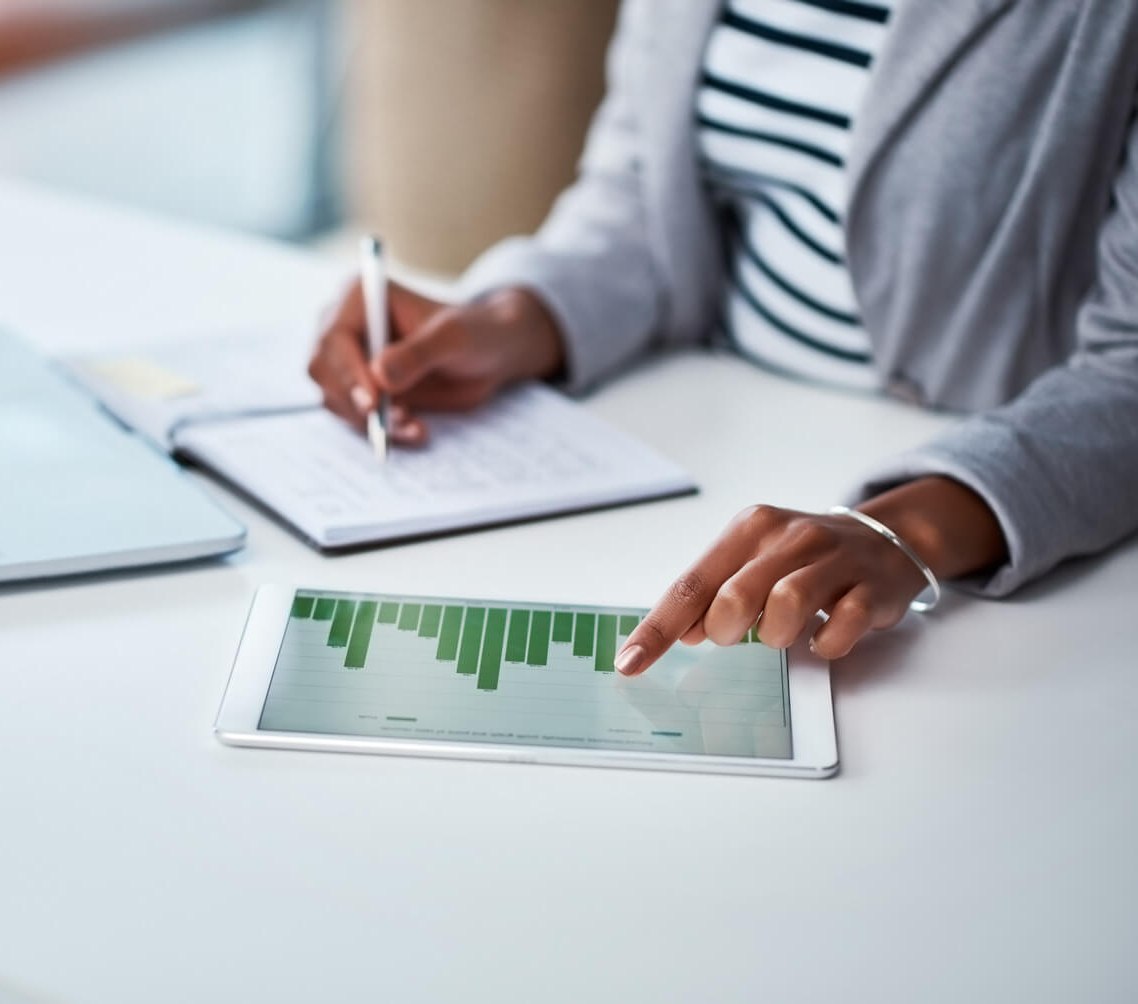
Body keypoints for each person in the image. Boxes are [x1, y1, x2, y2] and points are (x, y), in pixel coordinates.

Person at [308, 0, 1138, 674]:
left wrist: (915, 528)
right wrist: (514, 317)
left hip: (1013, 530)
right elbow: (642, 194)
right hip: (707, 438)